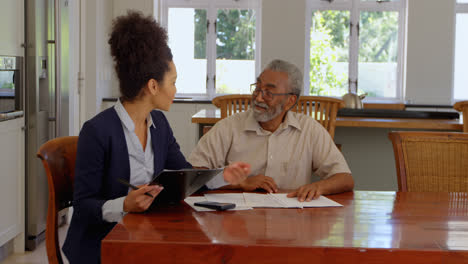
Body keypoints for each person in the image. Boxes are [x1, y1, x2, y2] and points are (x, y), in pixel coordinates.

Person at [62, 11, 250, 264]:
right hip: (103, 245)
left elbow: (183, 175)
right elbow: (84, 207)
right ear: (153, 86)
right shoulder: (97, 131)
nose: (175, 89)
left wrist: (221, 177)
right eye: (173, 82)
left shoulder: (159, 124)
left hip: (145, 236)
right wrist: (124, 204)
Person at [188, 59, 353, 202]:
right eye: (257, 88)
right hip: (237, 224)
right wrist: (241, 183)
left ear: (290, 101)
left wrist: (319, 186)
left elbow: (345, 178)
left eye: (268, 92)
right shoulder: (228, 127)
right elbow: (192, 176)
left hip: (292, 222)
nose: (258, 97)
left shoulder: (309, 130)